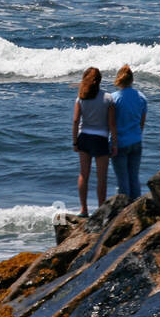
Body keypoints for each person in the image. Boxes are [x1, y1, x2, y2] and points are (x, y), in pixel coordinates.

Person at [72, 67, 116, 216]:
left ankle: (83, 209)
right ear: (100, 80)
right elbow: (112, 124)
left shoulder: (81, 97)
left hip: (84, 137)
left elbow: (76, 120)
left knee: (84, 174)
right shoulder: (108, 98)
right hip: (100, 139)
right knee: (101, 178)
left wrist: (74, 142)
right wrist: (114, 143)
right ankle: (100, 210)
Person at [108, 65, 147, 200]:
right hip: (136, 141)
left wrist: (113, 143)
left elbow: (111, 124)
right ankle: (136, 208)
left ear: (118, 79)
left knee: (122, 180)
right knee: (134, 178)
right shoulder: (142, 97)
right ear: (132, 79)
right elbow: (141, 123)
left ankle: (123, 213)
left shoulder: (113, 98)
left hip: (120, 143)